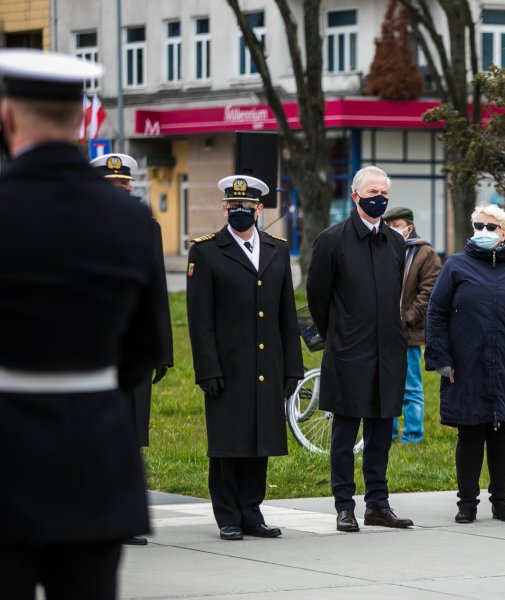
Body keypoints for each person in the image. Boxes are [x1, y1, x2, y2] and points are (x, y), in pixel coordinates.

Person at [0, 49, 165, 599]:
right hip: (95, 455)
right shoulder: (130, 219)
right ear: (80, 121)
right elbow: (142, 348)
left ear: (6, 116)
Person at [186, 175, 303, 540]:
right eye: (234, 207)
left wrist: (292, 367)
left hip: (268, 365)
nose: (241, 212)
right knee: (228, 443)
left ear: (259, 209)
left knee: (260, 441)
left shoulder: (276, 249)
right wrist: (207, 368)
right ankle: (228, 516)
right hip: (227, 366)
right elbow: (199, 319)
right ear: (224, 209)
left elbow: (286, 313)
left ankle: (252, 511)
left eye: (247, 208)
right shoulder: (206, 251)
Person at [306, 165, 414, 532]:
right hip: (348, 350)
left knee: (381, 432)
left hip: (388, 351)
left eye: (383, 191)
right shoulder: (332, 240)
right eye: (371, 191)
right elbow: (317, 298)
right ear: (355, 196)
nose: (378, 197)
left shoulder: (396, 242)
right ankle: (344, 505)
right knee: (345, 433)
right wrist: (337, 334)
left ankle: (378, 504)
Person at [426, 205, 505, 523]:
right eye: (479, 225)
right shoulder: (456, 266)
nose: (483, 231)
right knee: (469, 432)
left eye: (491, 227)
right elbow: (435, 314)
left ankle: (502, 502)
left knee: (501, 432)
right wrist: (441, 359)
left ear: (504, 234)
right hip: (466, 364)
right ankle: (467, 504)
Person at [91, 152, 174, 546]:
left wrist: (163, 350)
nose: (123, 192)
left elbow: (157, 289)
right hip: (92, 353)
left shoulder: (146, 227)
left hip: (134, 351)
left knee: (130, 437)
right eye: (114, 187)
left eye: (126, 186)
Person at [383, 206, 442, 444]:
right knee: (386, 386)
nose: (391, 230)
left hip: (408, 331)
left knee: (410, 386)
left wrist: (405, 319)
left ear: (409, 227)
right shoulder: (382, 249)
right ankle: (388, 434)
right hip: (383, 329)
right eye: (388, 226)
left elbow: (428, 294)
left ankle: (413, 436)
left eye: (395, 226)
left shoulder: (425, 254)